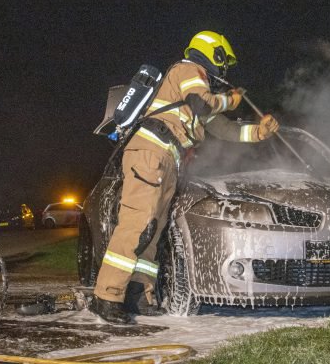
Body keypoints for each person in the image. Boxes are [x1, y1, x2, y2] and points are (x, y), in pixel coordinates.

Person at [90, 31, 280, 324]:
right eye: (224, 61)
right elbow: (201, 103)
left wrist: (259, 132)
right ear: (214, 53)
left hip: (167, 160)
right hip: (150, 153)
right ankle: (106, 297)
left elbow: (225, 129)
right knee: (136, 225)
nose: (225, 70)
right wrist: (230, 100)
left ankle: (139, 295)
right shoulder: (188, 70)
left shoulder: (198, 89)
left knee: (151, 231)